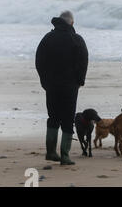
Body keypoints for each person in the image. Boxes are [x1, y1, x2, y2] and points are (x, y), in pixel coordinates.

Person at [35, 11, 88, 165]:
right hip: (70, 86)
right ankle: (65, 155)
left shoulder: (48, 38)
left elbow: (39, 61)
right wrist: (80, 81)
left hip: (51, 85)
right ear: (72, 23)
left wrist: (44, 80)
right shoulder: (76, 39)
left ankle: (51, 152)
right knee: (67, 119)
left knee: (53, 117)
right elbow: (83, 62)